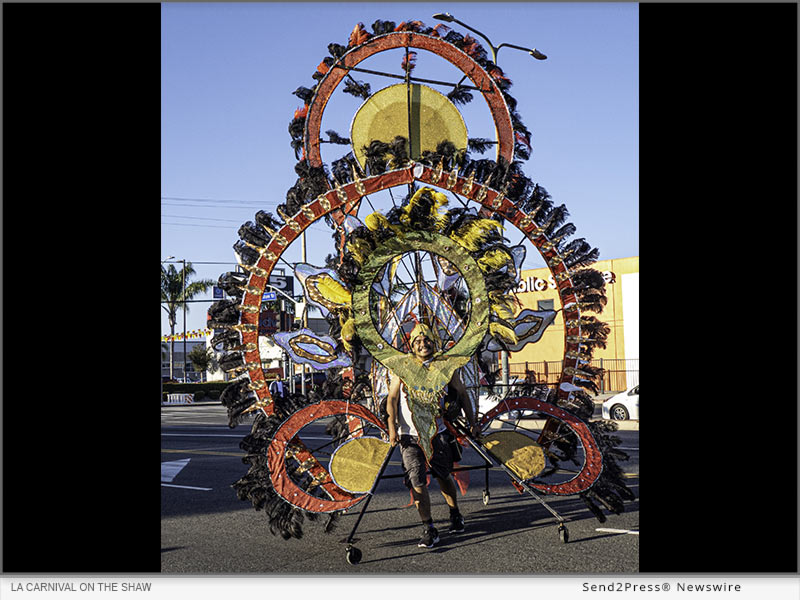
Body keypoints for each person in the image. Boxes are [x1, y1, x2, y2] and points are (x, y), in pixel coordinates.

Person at [386, 323, 481, 549]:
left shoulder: (444, 366)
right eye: (418, 341)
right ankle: (429, 528)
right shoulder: (402, 366)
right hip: (409, 436)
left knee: (443, 476)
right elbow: (392, 398)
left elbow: (462, 394)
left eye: (427, 340)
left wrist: (473, 422)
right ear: (411, 345)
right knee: (416, 480)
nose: (423, 344)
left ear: (434, 342)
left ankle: (455, 513)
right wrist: (392, 428)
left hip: (438, 434)